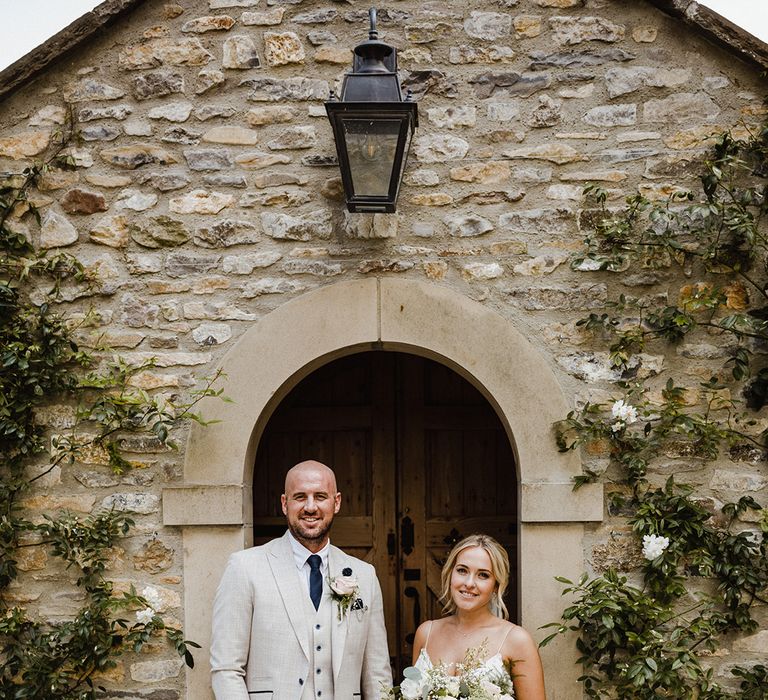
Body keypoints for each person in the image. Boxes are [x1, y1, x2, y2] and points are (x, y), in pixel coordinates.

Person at [210, 460, 392, 699]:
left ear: (336, 502)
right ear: (285, 504)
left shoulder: (364, 575)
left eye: (320, 496)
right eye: (299, 497)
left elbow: (377, 675)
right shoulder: (245, 568)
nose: (310, 507)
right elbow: (226, 669)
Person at [409, 534, 546, 700]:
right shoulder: (426, 633)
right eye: (462, 570)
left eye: (483, 575)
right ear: (450, 573)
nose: (469, 583)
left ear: (496, 585)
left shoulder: (517, 640)